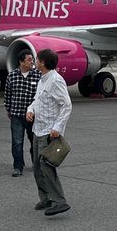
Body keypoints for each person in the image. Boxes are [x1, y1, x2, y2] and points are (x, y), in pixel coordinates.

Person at [26, 48, 72, 217]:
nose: (35, 61)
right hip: (38, 129)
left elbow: (66, 105)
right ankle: (46, 198)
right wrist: (30, 109)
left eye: (37, 59)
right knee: (37, 167)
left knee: (46, 166)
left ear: (43, 62)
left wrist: (57, 128)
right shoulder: (42, 79)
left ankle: (59, 201)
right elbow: (37, 100)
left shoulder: (55, 80)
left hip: (48, 132)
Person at [3, 50, 40, 177]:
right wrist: (8, 109)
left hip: (33, 116)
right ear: (21, 62)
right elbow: (7, 94)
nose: (32, 62)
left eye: (32, 59)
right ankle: (18, 167)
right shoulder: (12, 76)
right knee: (17, 142)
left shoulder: (37, 75)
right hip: (17, 115)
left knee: (34, 141)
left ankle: (36, 163)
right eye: (29, 59)